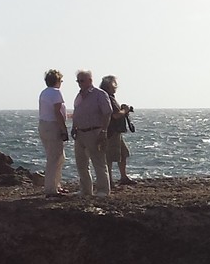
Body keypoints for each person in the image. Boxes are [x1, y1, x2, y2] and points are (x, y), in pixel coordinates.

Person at [70, 69, 115, 199]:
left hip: (94, 131)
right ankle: (85, 190)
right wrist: (74, 127)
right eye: (78, 81)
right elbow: (77, 113)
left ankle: (103, 190)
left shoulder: (99, 94)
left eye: (82, 81)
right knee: (81, 164)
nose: (79, 83)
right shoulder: (79, 96)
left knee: (99, 162)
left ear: (90, 80)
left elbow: (107, 112)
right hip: (80, 133)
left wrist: (103, 131)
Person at [37, 70, 71, 197]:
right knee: (55, 158)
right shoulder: (56, 92)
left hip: (44, 125)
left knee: (57, 156)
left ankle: (56, 185)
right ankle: (51, 189)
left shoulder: (44, 93)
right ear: (57, 81)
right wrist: (64, 129)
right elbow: (57, 112)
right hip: (53, 126)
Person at [101, 74, 136, 187]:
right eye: (115, 84)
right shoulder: (107, 98)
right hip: (111, 132)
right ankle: (109, 181)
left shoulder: (109, 97)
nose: (116, 87)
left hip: (116, 132)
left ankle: (123, 177)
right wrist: (124, 111)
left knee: (123, 153)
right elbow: (115, 115)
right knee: (110, 157)